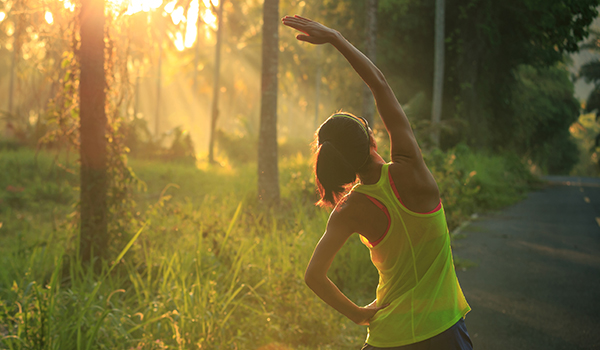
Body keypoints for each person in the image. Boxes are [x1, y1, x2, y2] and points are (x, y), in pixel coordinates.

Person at [281, 15, 472, 350]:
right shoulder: (410, 169)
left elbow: (314, 275)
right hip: (445, 334)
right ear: (371, 134)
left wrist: (358, 314)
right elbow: (379, 84)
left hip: (389, 338)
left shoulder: (348, 209)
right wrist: (337, 38)